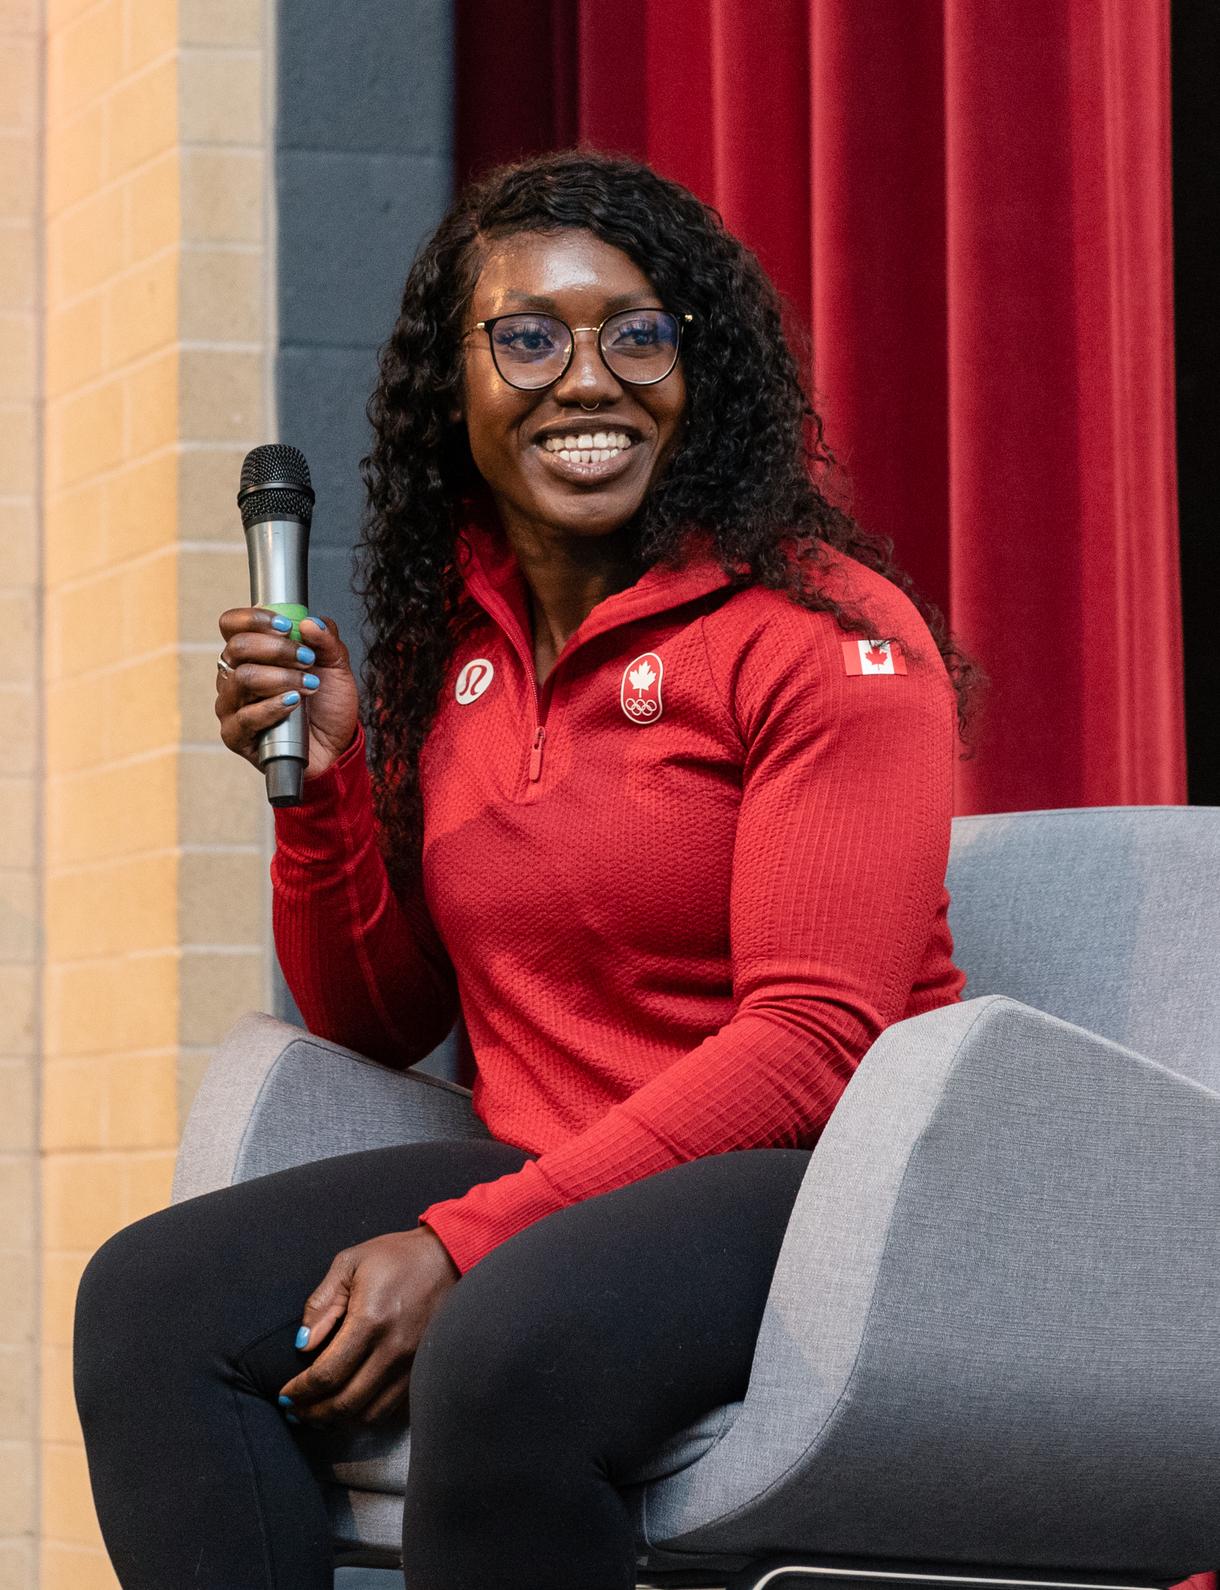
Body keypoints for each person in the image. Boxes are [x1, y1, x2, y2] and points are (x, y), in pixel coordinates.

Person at [73, 148, 986, 1590]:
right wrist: (317, 799)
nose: (590, 378)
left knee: (504, 1343)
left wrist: (468, 1235)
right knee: (149, 1306)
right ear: (459, 384)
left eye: (638, 332)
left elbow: (815, 1045)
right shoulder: (466, 651)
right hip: (560, 1164)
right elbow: (379, 1021)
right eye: (529, 336)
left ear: (703, 369)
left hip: (815, 1186)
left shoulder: (828, 633)